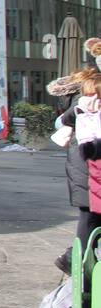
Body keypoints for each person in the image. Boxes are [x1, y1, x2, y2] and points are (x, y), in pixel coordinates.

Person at [49, 38, 101, 273]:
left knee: (90, 217)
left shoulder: (86, 95)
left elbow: (61, 120)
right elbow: (63, 120)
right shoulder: (88, 98)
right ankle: (76, 261)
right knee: (90, 216)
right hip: (89, 166)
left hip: (85, 165)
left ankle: (76, 260)